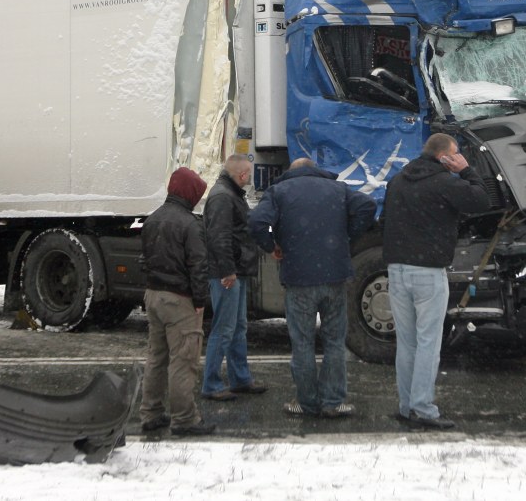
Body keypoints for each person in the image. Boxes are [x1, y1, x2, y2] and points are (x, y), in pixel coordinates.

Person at [249, 158, 376, 418]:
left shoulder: (279, 191)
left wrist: (271, 244)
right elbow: (368, 205)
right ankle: (333, 402)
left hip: (299, 279)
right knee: (334, 341)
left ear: (291, 172)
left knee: (303, 343)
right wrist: (348, 235)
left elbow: (257, 222)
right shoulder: (338, 189)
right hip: (334, 276)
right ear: (313, 169)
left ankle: (306, 403)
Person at [382, 133, 490, 429]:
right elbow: (481, 201)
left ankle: (406, 406)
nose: (457, 158)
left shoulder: (398, 181)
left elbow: (385, 222)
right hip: (428, 272)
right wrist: (466, 170)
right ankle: (423, 409)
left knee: (407, 343)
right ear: (445, 157)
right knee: (429, 341)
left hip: (396, 269)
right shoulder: (446, 181)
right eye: (455, 154)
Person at [138, 167, 215, 437]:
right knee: (184, 360)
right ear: (190, 193)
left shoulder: (153, 219)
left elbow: (144, 259)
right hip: (179, 299)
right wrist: (200, 300)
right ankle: (184, 419)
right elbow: (198, 265)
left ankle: (151, 413)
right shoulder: (190, 224)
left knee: (157, 358)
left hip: (154, 295)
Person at [200, 155, 268, 401]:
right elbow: (219, 238)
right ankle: (211, 384)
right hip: (227, 274)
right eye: (248, 174)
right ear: (241, 175)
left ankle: (240, 379)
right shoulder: (223, 197)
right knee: (224, 328)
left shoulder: (230, 195)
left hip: (234, 270)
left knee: (237, 327)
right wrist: (228, 270)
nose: (249, 178)